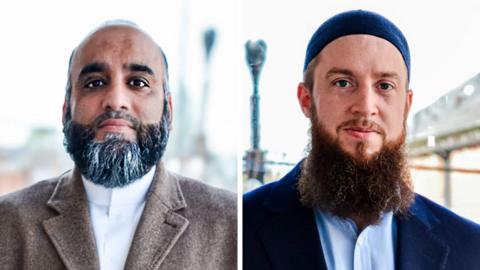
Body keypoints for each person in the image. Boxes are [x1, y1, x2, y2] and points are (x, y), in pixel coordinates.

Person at [243, 10, 480, 270]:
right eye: (343, 83)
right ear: (306, 100)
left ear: (406, 105)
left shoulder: (469, 248)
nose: (366, 107)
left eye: (385, 86)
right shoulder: (239, 227)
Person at [0, 21, 236, 270]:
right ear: (66, 111)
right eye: (94, 83)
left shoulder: (231, 223)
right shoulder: (8, 222)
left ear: (168, 112)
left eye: (138, 83)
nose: (116, 100)